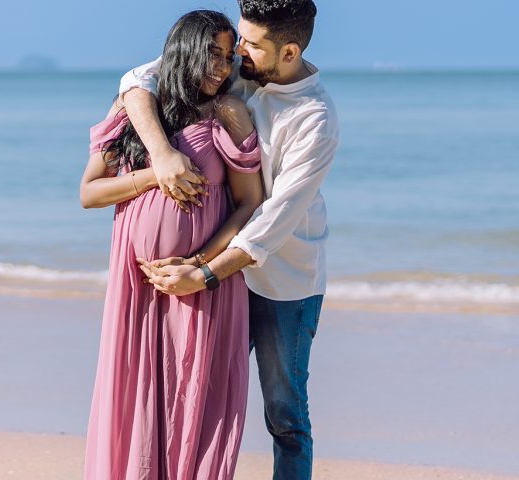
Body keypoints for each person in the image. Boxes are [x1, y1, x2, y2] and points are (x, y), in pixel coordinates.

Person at [126, 1, 339, 479]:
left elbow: (272, 220)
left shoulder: (315, 119)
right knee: (196, 396)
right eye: (240, 37)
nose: (237, 51)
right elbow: (137, 81)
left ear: (288, 52)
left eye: (252, 44)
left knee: (284, 416)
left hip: (284, 284)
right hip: (220, 271)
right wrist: (160, 155)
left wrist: (201, 273)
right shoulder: (239, 71)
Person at [79, 10, 265, 480]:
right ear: (181, 51)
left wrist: (200, 264)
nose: (222, 68)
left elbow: (250, 203)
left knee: (196, 401)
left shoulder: (229, 112)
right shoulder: (134, 112)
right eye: (211, 55)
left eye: (228, 57)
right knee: (139, 397)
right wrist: (155, 172)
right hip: (137, 284)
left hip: (201, 287)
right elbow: (90, 192)